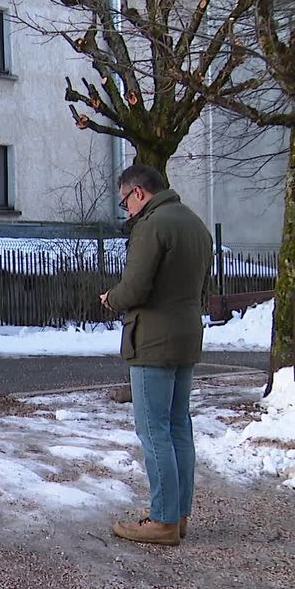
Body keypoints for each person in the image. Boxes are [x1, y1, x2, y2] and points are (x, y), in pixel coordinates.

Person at [100, 164, 212, 547]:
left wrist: (111, 299)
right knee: (179, 426)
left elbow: (135, 288)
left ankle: (162, 521)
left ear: (138, 193)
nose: (126, 211)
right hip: (186, 335)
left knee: (153, 430)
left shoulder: (152, 225)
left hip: (152, 340)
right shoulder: (195, 224)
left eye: (124, 202)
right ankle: (179, 515)